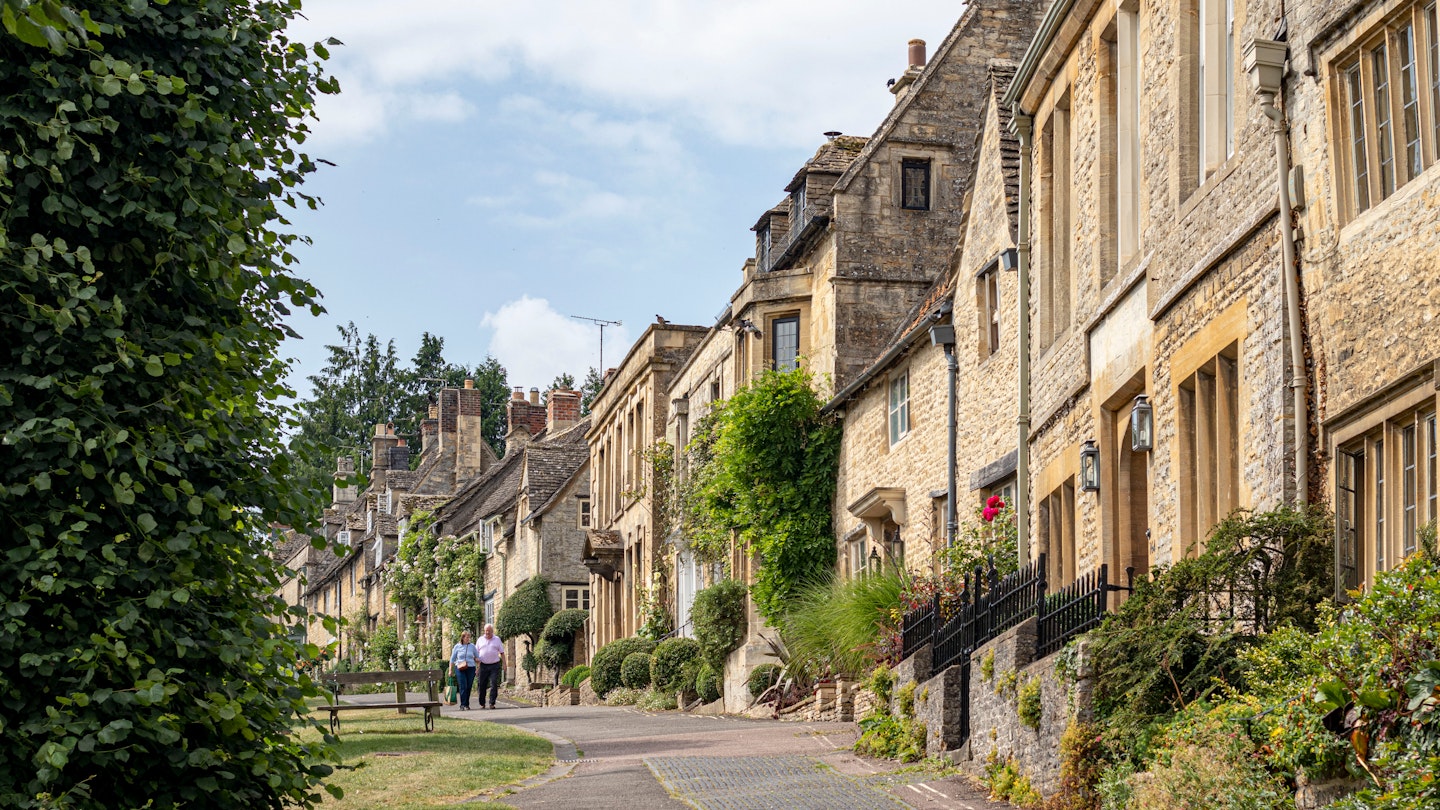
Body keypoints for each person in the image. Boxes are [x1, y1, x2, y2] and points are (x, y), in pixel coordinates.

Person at [475, 623, 505, 710]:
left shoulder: (497, 639)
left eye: (489, 631)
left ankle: (492, 703)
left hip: (494, 665)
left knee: (494, 683)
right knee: (481, 684)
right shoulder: (480, 640)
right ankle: (482, 703)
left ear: (492, 631)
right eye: (486, 631)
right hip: (483, 665)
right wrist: (477, 666)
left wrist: (504, 664)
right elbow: (476, 653)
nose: (487, 633)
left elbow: (502, 653)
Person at [449, 631, 479, 710]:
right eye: (467, 637)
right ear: (462, 637)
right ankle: (462, 704)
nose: (468, 639)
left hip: (471, 668)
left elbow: (477, 657)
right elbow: (452, 659)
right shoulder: (457, 646)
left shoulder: (472, 646)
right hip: (460, 668)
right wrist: (450, 670)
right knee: (463, 686)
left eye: (469, 637)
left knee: (468, 686)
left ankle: (466, 704)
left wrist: (477, 666)